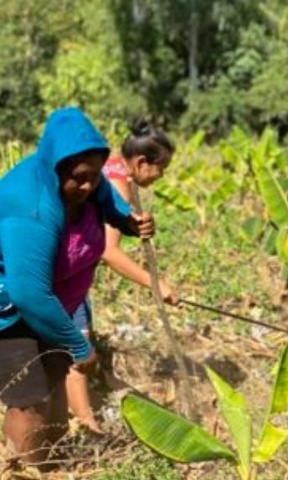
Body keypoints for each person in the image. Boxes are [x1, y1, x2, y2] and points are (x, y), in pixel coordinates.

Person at [0, 107, 154, 469]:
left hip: (54, 304)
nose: (87, 186)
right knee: (29, 396)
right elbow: (28, 293)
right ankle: (26, 470)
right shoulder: (33, 207)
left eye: (94, 176)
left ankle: (52, 463)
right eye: (78, 178)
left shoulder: (86, 184)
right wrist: (77, 343)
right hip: (9, 310)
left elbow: (106, 198)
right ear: (55, 167)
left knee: (53, 378)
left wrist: (127, 221)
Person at [64, 120, 177, 434]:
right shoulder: (117, 186)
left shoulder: (111, 168)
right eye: (161, 168)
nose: (161, 176)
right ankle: (88, 430)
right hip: (62, 274)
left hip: (67, 269)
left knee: (72, 346)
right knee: (78, 350)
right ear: (142, 162)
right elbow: (109, 252)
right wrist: (155, 284)